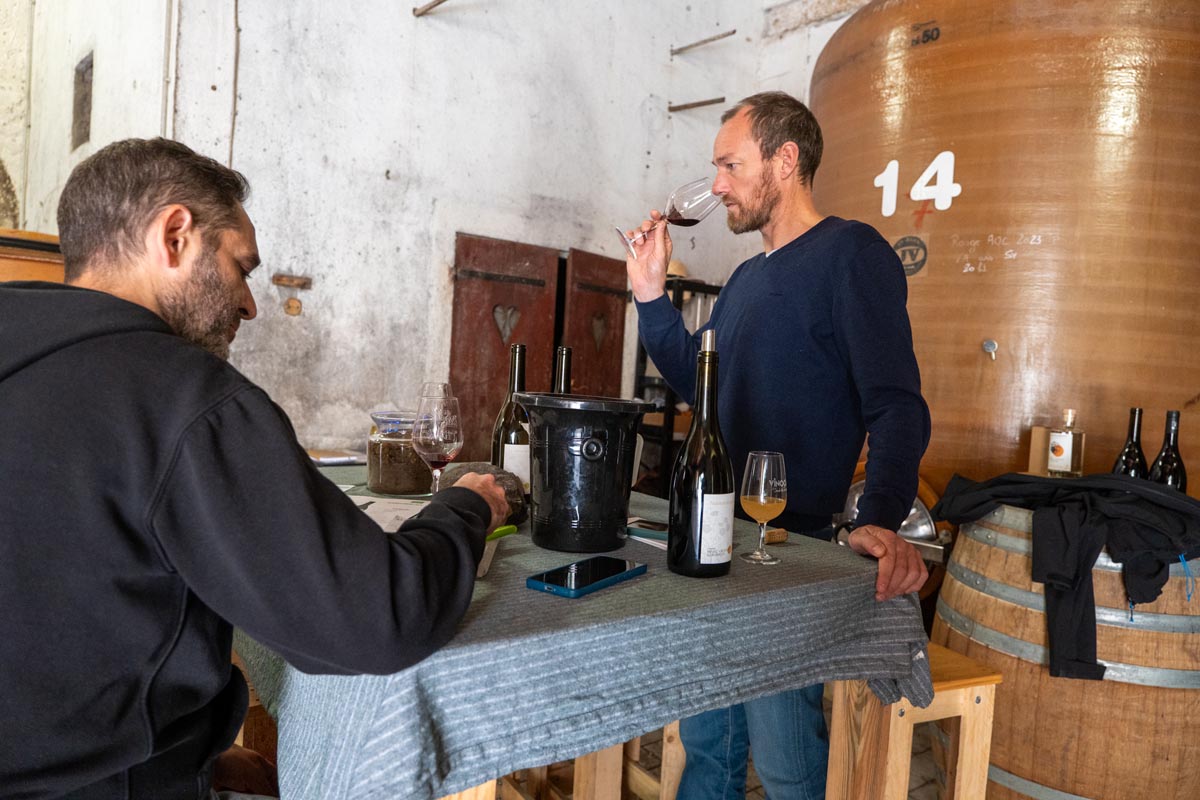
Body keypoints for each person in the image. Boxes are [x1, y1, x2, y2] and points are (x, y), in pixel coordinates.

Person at [0, 138, 509, 799]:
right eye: (241, 267)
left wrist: (204, 758)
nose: (249, 304)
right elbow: (377, 620)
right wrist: (465, 510)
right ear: (175, 235)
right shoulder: (182, 397)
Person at [625, 92, 931, 799]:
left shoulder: (852, 255)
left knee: (788, 762)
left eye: (730, 165)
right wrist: (650, 296)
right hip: (718, 539)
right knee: (708, 750)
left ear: (785, 160)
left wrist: (878, 515)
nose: (719, 184)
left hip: (789, 553)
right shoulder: (745, 280)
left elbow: (895, 404)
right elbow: (701, 386)